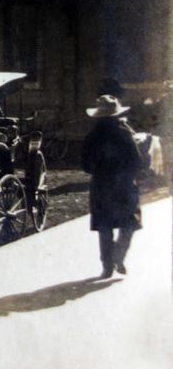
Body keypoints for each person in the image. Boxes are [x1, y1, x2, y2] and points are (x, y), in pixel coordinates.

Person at [82, 94, 143, 278]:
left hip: (101, 186)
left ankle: (107, 266)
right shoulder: (125, 133)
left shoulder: (91, 136)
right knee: (130, 223)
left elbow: (86, 165)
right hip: (123, 184)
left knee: (104, 226)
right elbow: (136, 160)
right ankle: (119, 255)